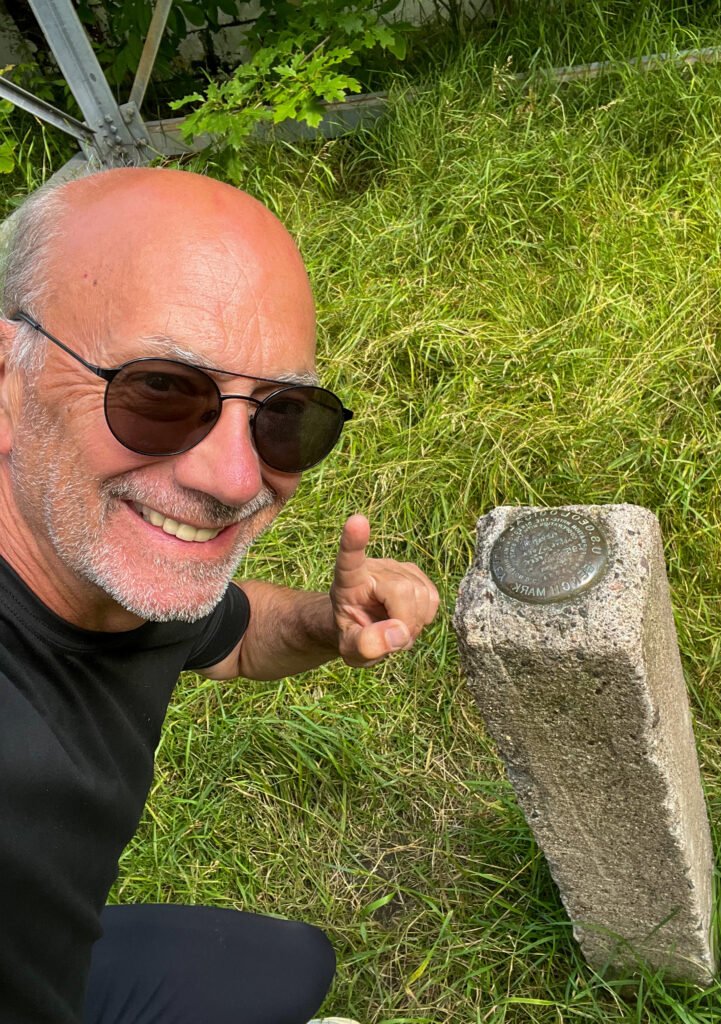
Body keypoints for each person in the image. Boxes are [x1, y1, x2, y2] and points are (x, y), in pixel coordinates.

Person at [0, 167, 440, 1024]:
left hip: (54, 956)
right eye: (160, 390)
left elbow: (226, 635)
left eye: (284, 414)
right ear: (8, 386)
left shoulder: (99, 558)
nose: (237, 479)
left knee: (288, 964)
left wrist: (325, 621)